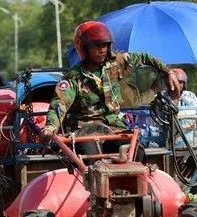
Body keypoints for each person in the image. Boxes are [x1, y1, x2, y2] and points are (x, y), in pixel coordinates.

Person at [42, 21, 180, 140]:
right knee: (90, 157)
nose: (102, 50)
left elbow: (145, 57)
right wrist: (50, 128)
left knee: (135, 151)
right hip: (86, 131)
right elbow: (59, 104)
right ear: (84, 47)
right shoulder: (73, 77)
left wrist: (168, 72)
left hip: (115, 127)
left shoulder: (117, 63)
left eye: (105, 45)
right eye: (97, 45)